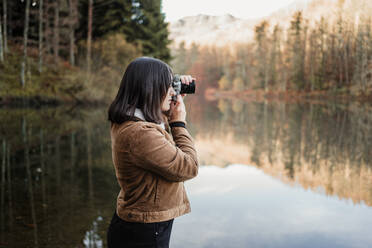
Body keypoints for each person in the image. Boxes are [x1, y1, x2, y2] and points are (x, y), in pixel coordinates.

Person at [106, 57, 199, 248]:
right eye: (168, 86)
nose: (173, 92)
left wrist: (171, 101)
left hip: (138, 225)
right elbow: (189, 167)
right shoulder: (141, 134)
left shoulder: (129, 121)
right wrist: (178, 123)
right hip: (144, 232)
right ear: (151, 88)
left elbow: (154, 129)